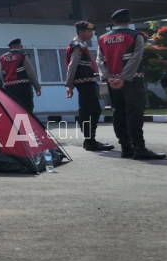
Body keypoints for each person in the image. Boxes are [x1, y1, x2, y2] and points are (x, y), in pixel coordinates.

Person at [97, 9, 166, 160]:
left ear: (114, 22)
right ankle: (139, 149)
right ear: (130, 21)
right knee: (134, 114)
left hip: (113, 83)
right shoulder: (136, 36)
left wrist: (109, 78)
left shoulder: (102, 38)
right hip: (132, 81)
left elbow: (100, 61)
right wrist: (123, 78)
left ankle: (126, 148)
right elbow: (136, 58)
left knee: (119, 113)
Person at [65, 21, 114, 152]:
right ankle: (90, 141)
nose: (92, 34)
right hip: (84, 82)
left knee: (91, 110)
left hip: (86, 81)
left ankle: (90, 140)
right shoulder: (77, 46)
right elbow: (72, 66)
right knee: (90, 111)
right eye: (89, 31)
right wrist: (69, 84)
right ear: (81, 32)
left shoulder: (79, 45)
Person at [0, 38, 41, 112]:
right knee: (26, 109)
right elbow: (30, 72)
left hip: (9, 88)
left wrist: (5, 86)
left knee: (12, 110)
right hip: (23, 88)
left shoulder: (3, 57)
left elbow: (1, 74)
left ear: (10, 47)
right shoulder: (23, 55)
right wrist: (37, 87)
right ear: (21, 46)